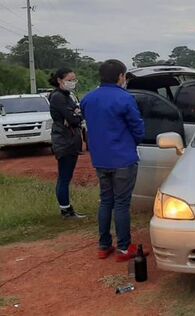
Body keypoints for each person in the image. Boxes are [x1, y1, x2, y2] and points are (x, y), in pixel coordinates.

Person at [81, 59, 146, 261]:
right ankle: (124, 248)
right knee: (121, 204)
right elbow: (138, 128)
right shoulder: (124, 98)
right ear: (120, 76)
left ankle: (104, 245)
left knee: (106, 201)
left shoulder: (88, 99)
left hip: (100, 158)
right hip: (123, 158)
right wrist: (131, 142)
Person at [48, 68, 87, 219]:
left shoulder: (67, 95)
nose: (73, 83)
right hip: (65, 142)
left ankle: (67, 208)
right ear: (60, 80)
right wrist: (75, 116)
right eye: (70, 80)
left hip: (69, 140)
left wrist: (76, 115)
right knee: (64, 177)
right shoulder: (58, 97)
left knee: (66, 176)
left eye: (74, 80)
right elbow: (74, 119)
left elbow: (77, 115)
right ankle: (66, 210)